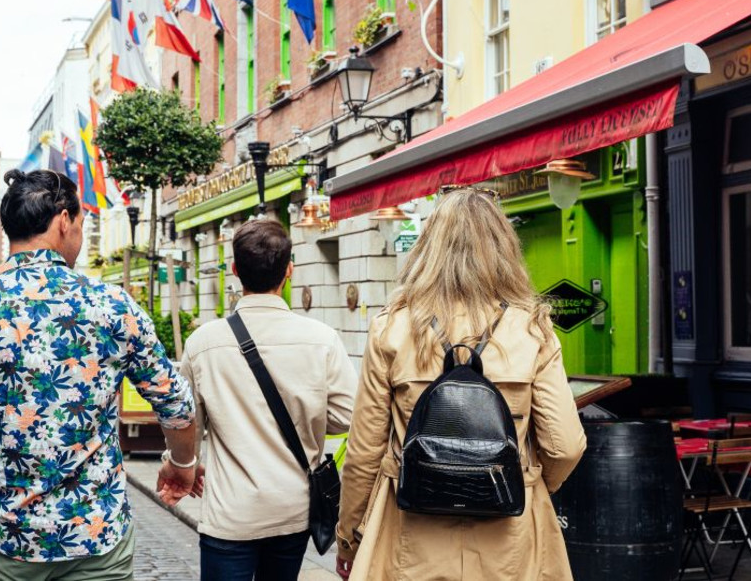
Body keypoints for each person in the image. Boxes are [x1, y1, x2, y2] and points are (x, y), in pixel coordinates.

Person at [0, 169, 197, 581]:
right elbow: (176, 404)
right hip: (97, 538)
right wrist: (182, 462)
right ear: (64, 220)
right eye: (80, 224)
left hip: (9, 542)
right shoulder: (111, 306)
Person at [335, 188, 587, 581]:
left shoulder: (392, 327)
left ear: (429, 249)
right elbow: (566, 445)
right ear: (505, 248)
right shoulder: (533, 330)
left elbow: (364, 452)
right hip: (509, 541)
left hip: (412, 537)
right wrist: (525, 482)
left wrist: (349, 536)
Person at [177, 219, 356, 581]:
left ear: (235, 270)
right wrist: (308, 417)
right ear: (289, 270)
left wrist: (184, 463)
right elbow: (348, 415)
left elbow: (187, 422)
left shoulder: (203, 342)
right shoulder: (321, 339)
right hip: (292, 508)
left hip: (231, 513)